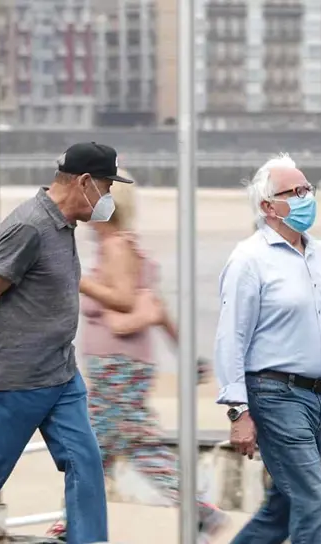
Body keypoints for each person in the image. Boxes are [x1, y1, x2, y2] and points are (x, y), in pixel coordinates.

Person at [0, 142, 133, 544]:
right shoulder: (29, 226)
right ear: (85, 182)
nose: (108, 199)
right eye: (107, 188)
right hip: (16, 379)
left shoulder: (65, 224)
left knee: (85, 463)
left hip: (60, 373)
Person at [44, 169, 227, 542]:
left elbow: (125, 305)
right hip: (123, 366)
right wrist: (184, 352)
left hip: (118, 367)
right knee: (127, 446)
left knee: (92, 447)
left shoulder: (116, 247)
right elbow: (155, 308)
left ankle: (69, 523)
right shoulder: (125, 246)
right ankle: (197, 508)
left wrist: (79, 280)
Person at [213, 153, 321, 544]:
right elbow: (231, 337)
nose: (307, 196)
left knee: (283, 509)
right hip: (274, 394)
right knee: (311, 499)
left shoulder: (319, 255)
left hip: (316, 398)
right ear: (268, 206)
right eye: (295, 191)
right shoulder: (249, 260)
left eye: (308, 188)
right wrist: (238, 410)